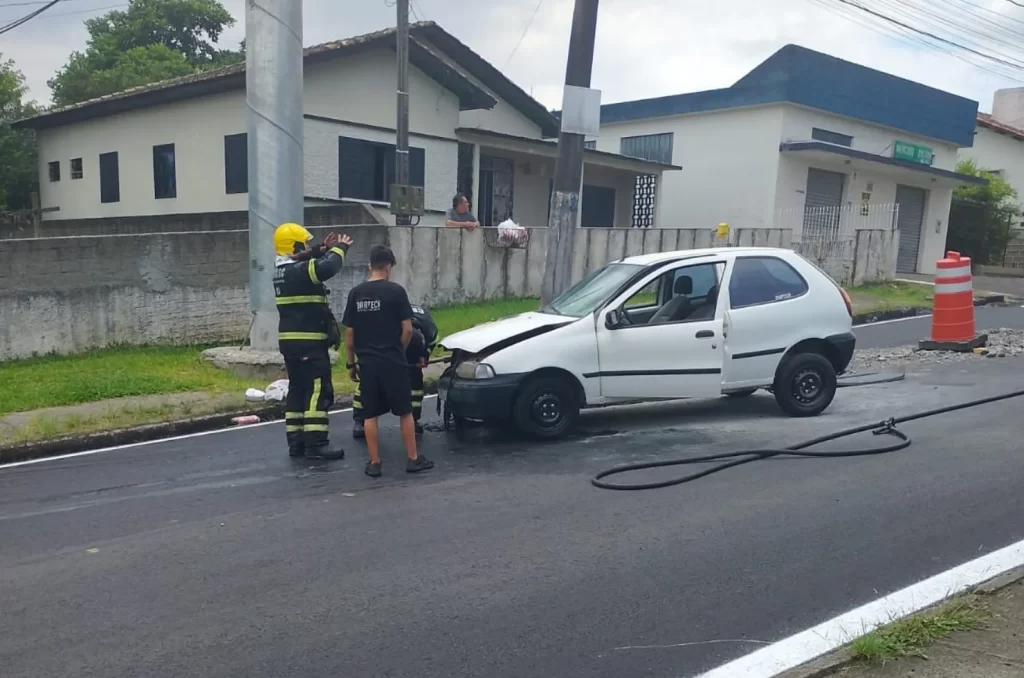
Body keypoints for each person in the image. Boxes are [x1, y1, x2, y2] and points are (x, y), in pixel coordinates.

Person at [343, 245, 434, 478]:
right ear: (388, 267)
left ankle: (374, 463)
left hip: (368, 363)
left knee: (370, 414)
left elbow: (350, 335)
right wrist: (399, 351)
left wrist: (351, 364)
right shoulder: (396, 292)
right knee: (405, 412)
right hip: (393, 361)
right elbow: (407, 330)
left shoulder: (356, 293)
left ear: (369, 266)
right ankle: (413, 459)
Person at [273, 222, 352, 460]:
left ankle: (296, 443)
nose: (306, 246)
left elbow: (305, 259)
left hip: (291, 343)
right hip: (309, 343)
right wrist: (339, 248)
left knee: (297, 390)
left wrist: (319, 248)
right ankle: (316, 443)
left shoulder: (282, 270)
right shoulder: (300, 271)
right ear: (295, 245)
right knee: (318, 390)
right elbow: (327, 268)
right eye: (304, 244)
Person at [351, 305, 437, 439]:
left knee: (415, 380)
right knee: (370, 381)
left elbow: (432, 342)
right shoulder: (385, 324)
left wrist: (424, 356)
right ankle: (360, 421)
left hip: (410, 347)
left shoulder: (428, 329)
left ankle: (413, 419)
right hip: (384, 349)